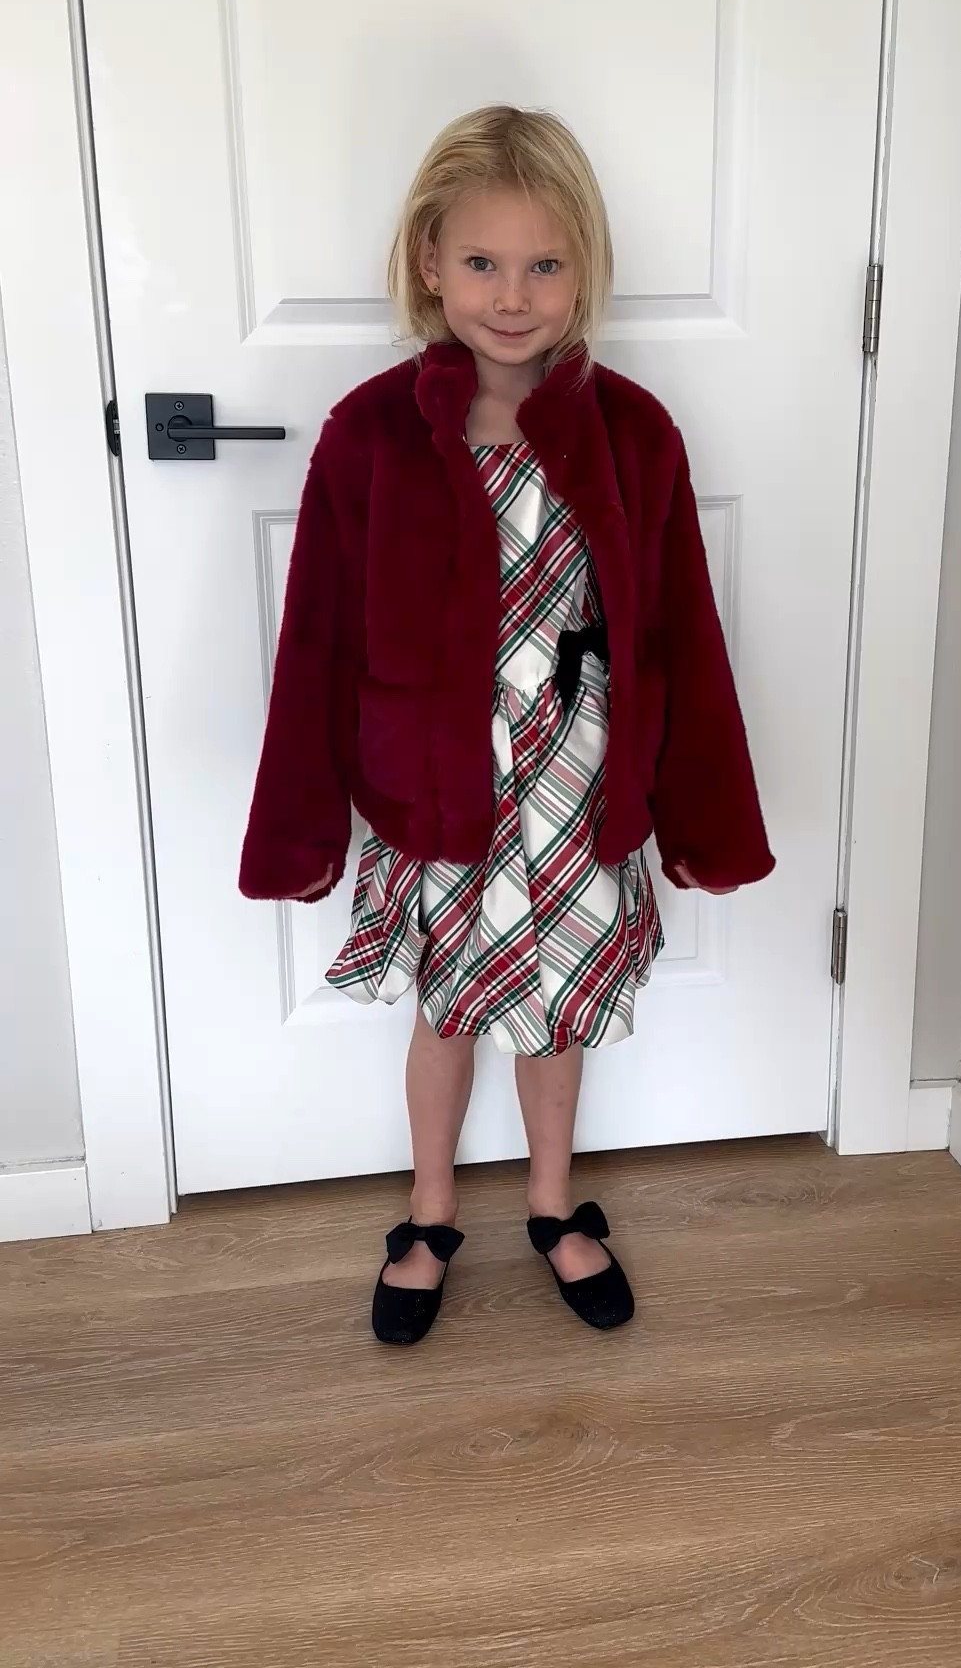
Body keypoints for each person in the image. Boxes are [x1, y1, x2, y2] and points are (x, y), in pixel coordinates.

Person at [240, 105, 774, 1346]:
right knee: (448, 1010)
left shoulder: (631, 431)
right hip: (438, 795)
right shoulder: (372, 434)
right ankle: (430, 1212)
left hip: (577, 794)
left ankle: (549, 1202)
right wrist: (305, 820)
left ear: (581, 268)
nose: (514, 295)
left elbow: (681, 631)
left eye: (544, 264)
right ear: (430, 261)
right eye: (482, 262)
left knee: (559, 1012)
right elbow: (316, 634)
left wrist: (698, 813)